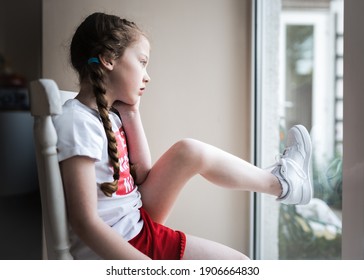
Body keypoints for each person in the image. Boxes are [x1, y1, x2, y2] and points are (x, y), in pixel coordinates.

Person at [53, 12, 313, 260]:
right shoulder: (78, 122)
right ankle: (283, 184)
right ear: (109, 59)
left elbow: (142, 176)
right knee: (241, 263)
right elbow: (84, 221)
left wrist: (132, 114)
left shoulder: (107, 115)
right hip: (126, 242)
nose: (147, 76)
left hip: (135, 222)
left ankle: (283, 183)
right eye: (142, 62)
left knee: (188, 151)